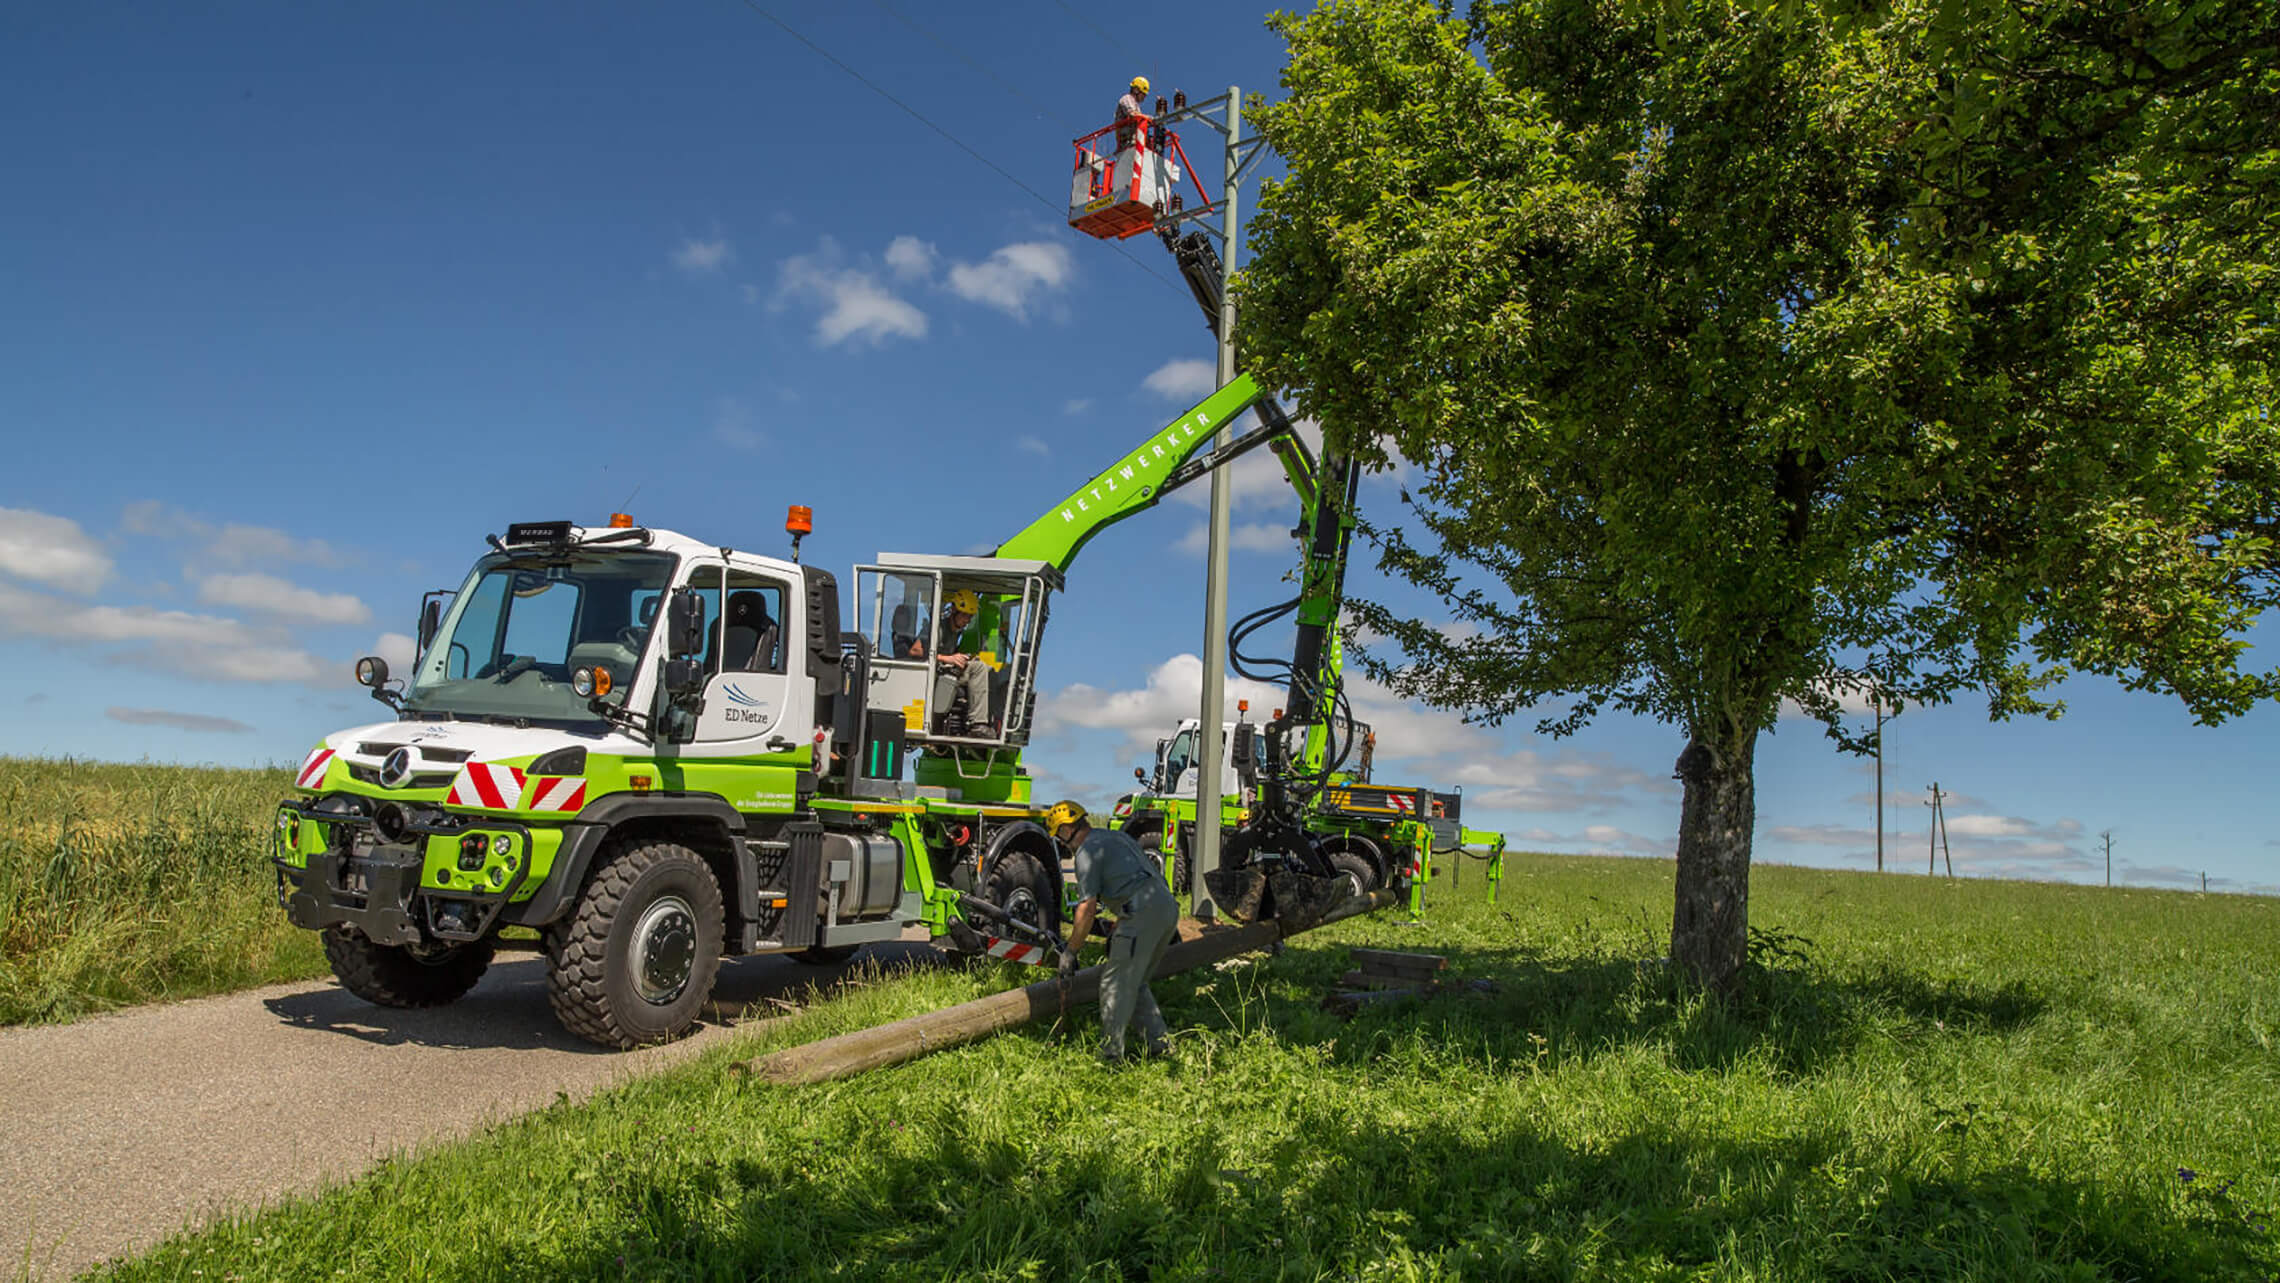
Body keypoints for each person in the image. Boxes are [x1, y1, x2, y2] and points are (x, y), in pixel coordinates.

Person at [1048, 799, 1177, 1064]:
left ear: (1064, 831)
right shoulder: (1116, 837)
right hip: (1166, 907)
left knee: (1113, 984)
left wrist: (1070, 951)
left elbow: (1086, 907)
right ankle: (1160, 1046)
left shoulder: (1086, 853)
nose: (1062, 844)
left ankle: (1110, 1057)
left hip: (1141, 913)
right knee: (1136, 981)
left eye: (1059, 836)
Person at [931, 588, 992, 735]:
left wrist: (965, 658)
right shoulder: (937, 628)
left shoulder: (956, 632)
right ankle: (977, 723)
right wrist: (948, 658)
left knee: (982, 667)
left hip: (946, 670)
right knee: (978, 669)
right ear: (953, 610)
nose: (967, 620)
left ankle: (978, 722)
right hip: (934, 674)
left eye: (970, 617)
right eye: (964, 615)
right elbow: (916, 651)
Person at [1114, 75, 1151, 150]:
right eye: (1143, 94)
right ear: (1136, 90)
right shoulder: (1127, 99)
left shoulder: (1135, 104)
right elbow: (1133, 114)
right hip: (1126, 137)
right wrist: (1148, 118)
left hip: (1132, 137)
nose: (1144, 97)